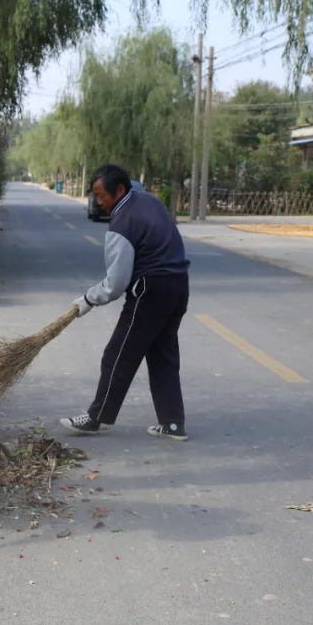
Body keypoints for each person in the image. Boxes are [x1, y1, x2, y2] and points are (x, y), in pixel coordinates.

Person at [59, 164, 191, 441]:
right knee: (162, 355)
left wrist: (87, 300)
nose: (98, 201)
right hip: (178, 286)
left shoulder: (122, 222)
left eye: (101, 194)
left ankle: (96, 418)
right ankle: (173, 423)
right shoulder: (149, 201)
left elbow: (116, 283)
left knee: (116, 355)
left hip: (150, 292)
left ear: (119, 190)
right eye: (94, 195)